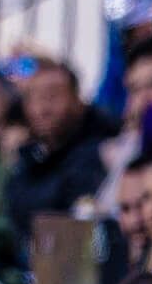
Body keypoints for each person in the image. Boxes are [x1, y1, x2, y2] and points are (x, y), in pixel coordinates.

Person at [8, 56, 108, 253]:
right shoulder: (28, 159)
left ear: (78, 100)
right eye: (33, 98)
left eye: (52, 96)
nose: (42, 109)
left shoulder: (100, 150)